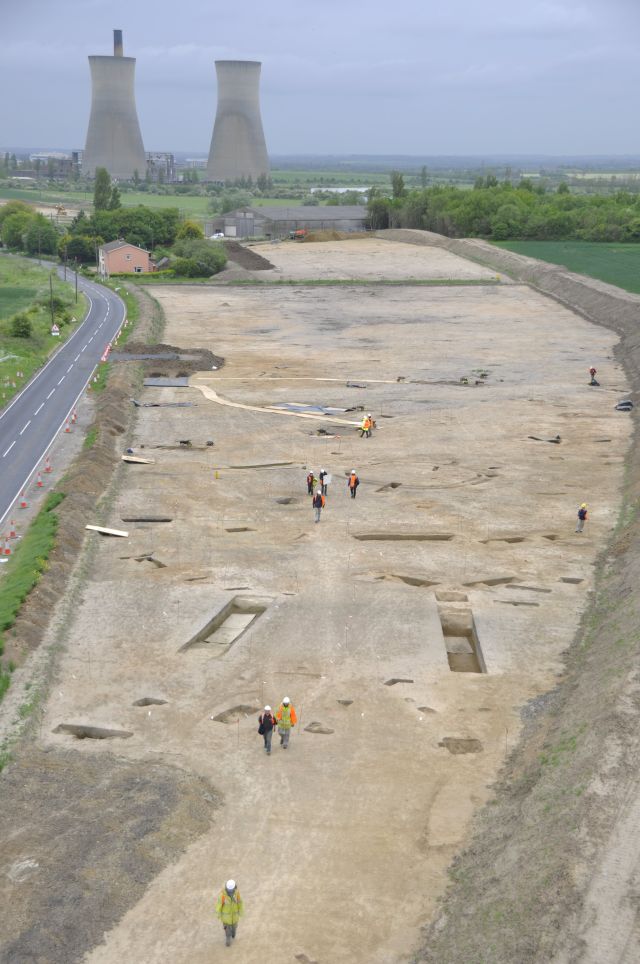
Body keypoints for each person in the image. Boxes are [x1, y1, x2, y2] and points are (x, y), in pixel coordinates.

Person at [216, 879, 244, 947]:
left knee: (234, 927)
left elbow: (240, 902)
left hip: (235, 916)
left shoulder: (237, 894)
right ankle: (228, 938)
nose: (231, 891)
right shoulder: (222, 896)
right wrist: (218, 914)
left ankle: (233, 932)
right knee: (227, 930)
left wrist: (241, 911)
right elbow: (219, 905)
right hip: (226, 918)